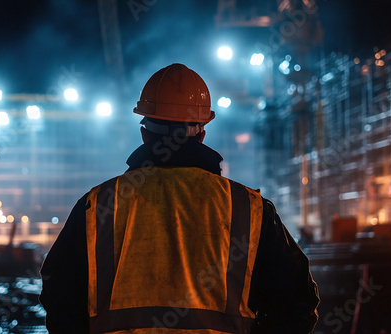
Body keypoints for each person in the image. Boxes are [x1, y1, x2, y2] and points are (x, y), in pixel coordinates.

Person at [40, 63, 320, 334]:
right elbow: (297, 304)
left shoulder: (97, 205)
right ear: (202, 135)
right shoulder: (249, 209)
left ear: (144, 135)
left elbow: (59, 296)